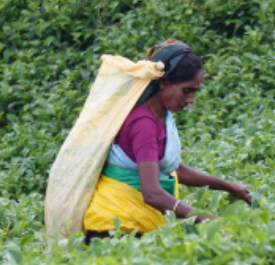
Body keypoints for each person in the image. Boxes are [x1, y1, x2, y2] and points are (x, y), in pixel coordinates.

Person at [83, 39, 251, 243]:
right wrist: (207, 220)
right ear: (163, 83)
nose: (190, 101)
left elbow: (173, 169)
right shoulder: (144, 124)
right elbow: (152, 193)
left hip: (130, 225)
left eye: (195, 92)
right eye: (186, 90)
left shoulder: (159, 114)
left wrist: (230, 186)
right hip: (115, 230)